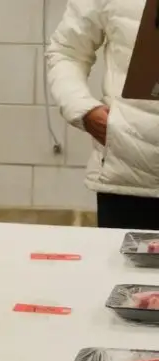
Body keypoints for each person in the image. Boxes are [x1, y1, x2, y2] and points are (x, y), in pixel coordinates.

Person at [46, 0, 159, 229]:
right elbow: (66, 51)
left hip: (126, 165)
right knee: (122, 265)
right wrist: (84, 110)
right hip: (128, 172)